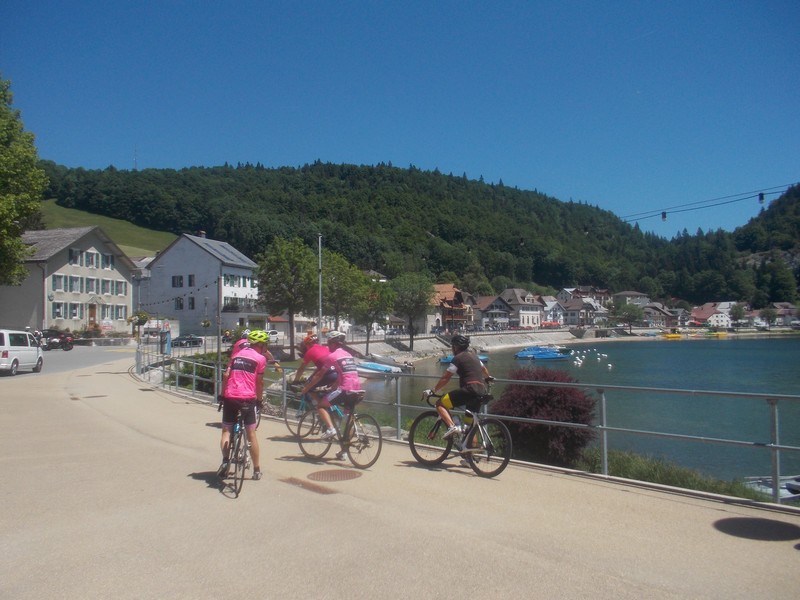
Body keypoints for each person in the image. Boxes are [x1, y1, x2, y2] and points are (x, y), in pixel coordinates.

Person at [217, 329, 273, 481]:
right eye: (265, 344)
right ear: (260, 344)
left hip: (230, 396)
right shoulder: (260, 359)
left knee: (226, 431)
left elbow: (226, 375)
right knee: (251, 435)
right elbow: (259, 382)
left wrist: (222, 395)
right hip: (248, 398)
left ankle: (225, 461)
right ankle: (256, 470)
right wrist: (259, 401)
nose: (266, 346)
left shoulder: (236, 355)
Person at [424, 334, 491, 439]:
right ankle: (469, 451)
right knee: (469, 428)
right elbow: (485, 371)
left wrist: (433, 390)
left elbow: (446, 377)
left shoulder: (458, 358)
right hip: (481, 391)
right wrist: (487, 378)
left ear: (456, 347)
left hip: (469, 390)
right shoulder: (475, 357)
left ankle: (452, 427)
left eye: (452, 346)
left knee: (440, 404)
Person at [300, 330, 362, 441]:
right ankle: (344, 451)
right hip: (357, 389)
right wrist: (333, 386)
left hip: (345, 389)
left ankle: (330, 429)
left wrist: (306, 388)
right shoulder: (349, 355)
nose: (328, 346)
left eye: (329, 343)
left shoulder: (332, 356)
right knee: (346, 418)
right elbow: (344, 374)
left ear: (334, 343)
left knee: (321, 406)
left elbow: (319, 376)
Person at [292, 332, 337, 401]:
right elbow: (321, 367)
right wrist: (311, 377)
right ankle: (328, 407)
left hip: (328, 374)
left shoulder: (309, 351)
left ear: (307, 344)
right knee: (325, 393)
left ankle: (321, 406)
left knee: (308, 388)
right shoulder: (325, 348)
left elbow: (301, 369)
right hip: (337, 373)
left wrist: (296, 380)